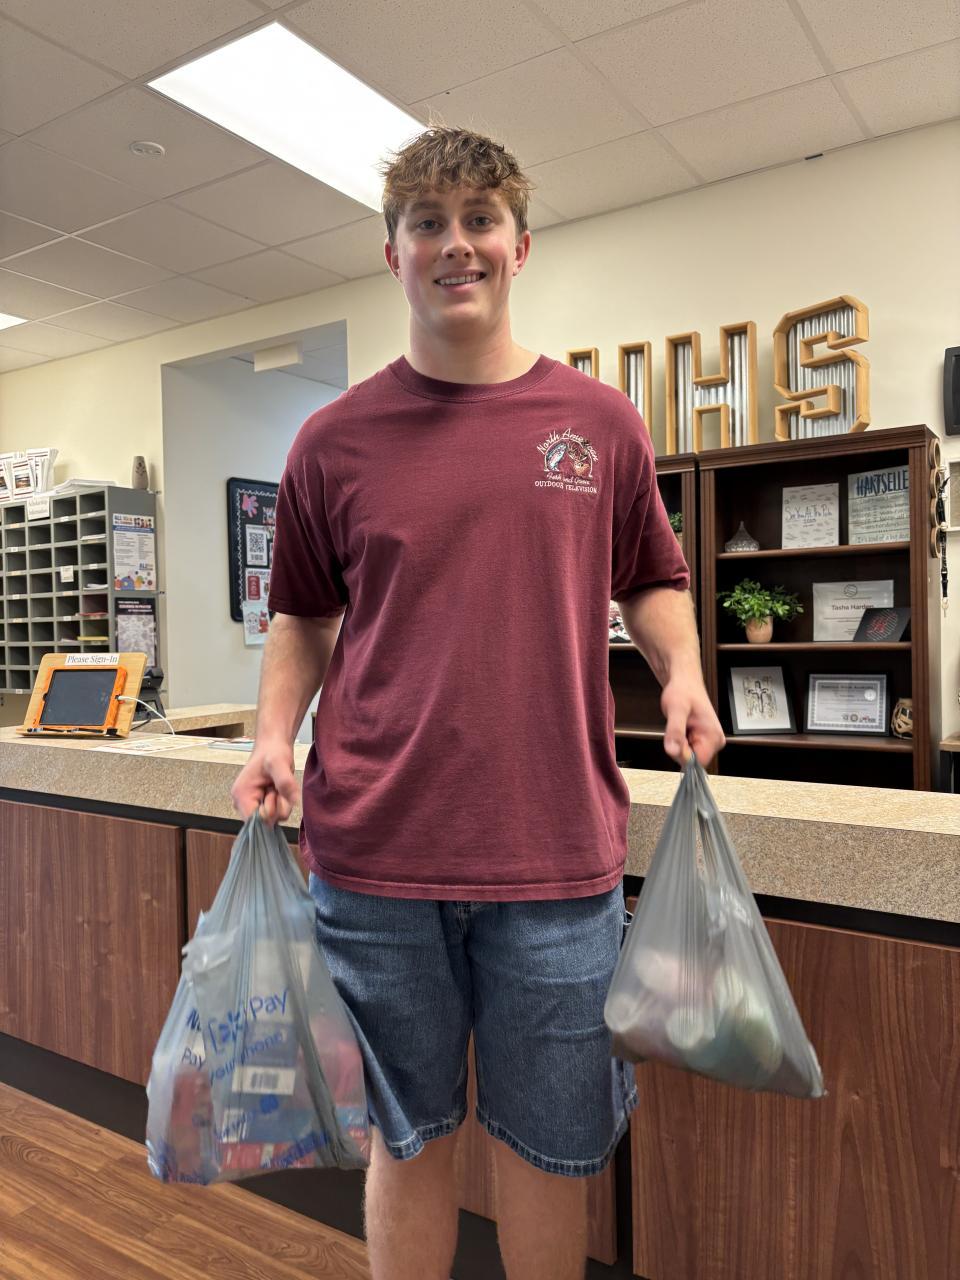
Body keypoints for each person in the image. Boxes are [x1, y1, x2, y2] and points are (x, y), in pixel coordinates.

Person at [231, 125, 725, 1280]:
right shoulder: (331, 441)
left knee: (552, 1151)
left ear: (520, 244)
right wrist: (272, 735)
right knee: (407, 1141)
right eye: (429, 224)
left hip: (554, 859)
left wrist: (684, 671)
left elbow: (652, 576)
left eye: (480, 220)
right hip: (374, 860)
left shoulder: (600, 424)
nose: (456, 244)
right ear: (393, 253)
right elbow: (302, 615)